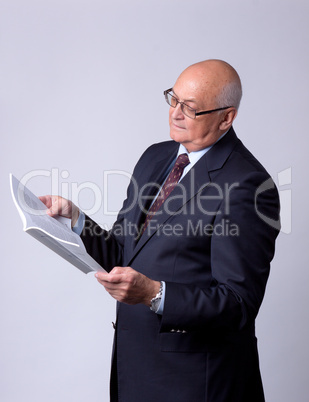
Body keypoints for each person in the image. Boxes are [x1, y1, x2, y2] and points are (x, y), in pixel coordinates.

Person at [40, 59, 280, 402]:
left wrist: (155, 294)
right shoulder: (156, 157)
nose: (175, 113)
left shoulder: (249, 185)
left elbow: (238, 304)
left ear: (226, 117)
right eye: (174, 99)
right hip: (135, 370)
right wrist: (76, 219)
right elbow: (125, 253)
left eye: (191, 108)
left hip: (196, 383)